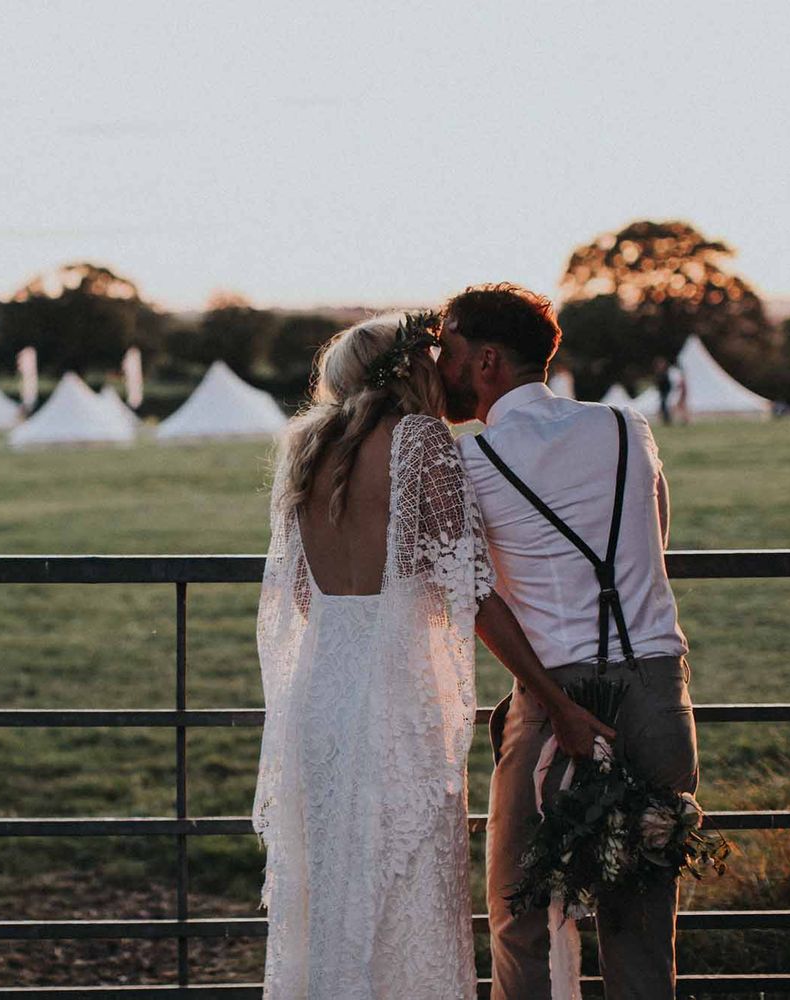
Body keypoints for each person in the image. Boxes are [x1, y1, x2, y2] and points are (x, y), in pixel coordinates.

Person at [252, 314, 610, 1000]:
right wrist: (552, 696)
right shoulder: (421, 442)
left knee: (337, 892)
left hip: (323, 692)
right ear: (414, 369)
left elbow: (301, 593)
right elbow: (472, 588)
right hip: (395, 699)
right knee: (406, 888)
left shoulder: (306, 444)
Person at [439, 283, 696, 1000]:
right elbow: (655, 536)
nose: (441, 367)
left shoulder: (475, 459)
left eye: (448, 351)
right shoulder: (626, 426)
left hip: (558, 695)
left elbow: (479, 600)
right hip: (657, 685)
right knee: (641, 914)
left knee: (519, 907)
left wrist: (557, 704)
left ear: (487, 360)